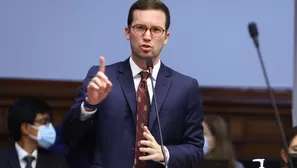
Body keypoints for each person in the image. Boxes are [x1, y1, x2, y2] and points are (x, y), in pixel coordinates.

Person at [62, 0, 204, 167]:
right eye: (140, 28)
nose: (147, 36)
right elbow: (69, 135)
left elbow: (195, 149)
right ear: (128, 32)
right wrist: (89, 106)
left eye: (156, 30)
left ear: (166, 37)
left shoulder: (185, 87)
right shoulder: (102, 77)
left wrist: (165, 153)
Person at [0, 97, 68, 168]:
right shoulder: (2, 160)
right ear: (25, 128)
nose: (49, 127)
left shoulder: (58, 161)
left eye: (49, 121)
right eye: (43, 122)